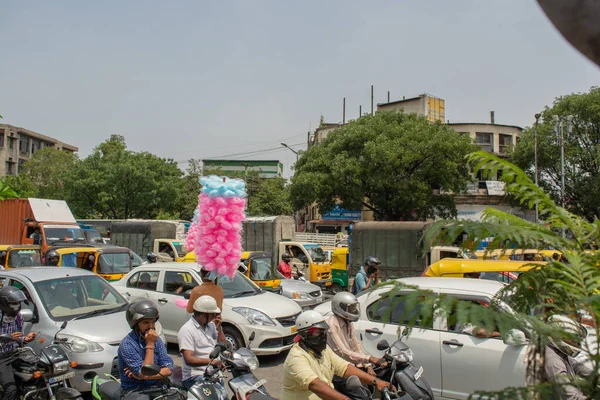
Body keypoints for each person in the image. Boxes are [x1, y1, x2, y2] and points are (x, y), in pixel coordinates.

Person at [282, 310, 392, 400]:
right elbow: (314, 384)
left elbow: (344, 368)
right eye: (317, 332)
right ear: (304, 334)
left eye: (323, 331)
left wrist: (376, 382)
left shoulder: (322, 350)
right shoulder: (296, 357)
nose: (322, 335)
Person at [118, 299, 174, 399]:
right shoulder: (127, 344)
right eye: (146, 322)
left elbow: (168, 369)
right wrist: (150, 345)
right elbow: (145, 372)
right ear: (136, 324)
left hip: (157, 388)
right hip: (135, 390)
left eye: (153, 322)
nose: (151, 327)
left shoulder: (157, 340)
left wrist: (143, 376)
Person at [327, 292, 386, 376]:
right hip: (340, 369)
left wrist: (368, 366)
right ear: (340, 307)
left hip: (353, 363)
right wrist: (370, 358)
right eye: (351, 308)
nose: (354, 310)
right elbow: (343, 352)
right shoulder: (332, 325)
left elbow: (356, 346)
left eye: (354, 307)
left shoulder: (348, 321)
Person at [177, 296, 225, 390]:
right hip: (195, 377)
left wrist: (219, 328)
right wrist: (212, 362)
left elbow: (223, 344)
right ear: (204, 315)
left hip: (214, 374)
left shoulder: (210, 326)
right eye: (213, 314)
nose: (214, 317)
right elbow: (189, 359)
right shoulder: (187, 330)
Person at [0, 286, 38, 400]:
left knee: (35, 376)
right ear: (4, 303)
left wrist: (25, 338)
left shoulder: (18, 317)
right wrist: (3, 339)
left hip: (15, 354)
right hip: (1, 358)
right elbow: (9, 338)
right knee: (10, 389)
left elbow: (18, 337)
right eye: (13, 303)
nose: (16, 306)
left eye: (18, 303)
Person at [544, 315, 589, 400]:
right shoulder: (553, 360)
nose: (575, 342)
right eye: (571, 338)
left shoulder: (560, 354)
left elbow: (580, 368)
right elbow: (570, 396)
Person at [186, 268, 226, 343]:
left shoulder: (197, 290)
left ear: (202, 275)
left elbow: (189, 310)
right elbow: (220, 308)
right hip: (216, 323)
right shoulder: (219, 289)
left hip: (202, 325)